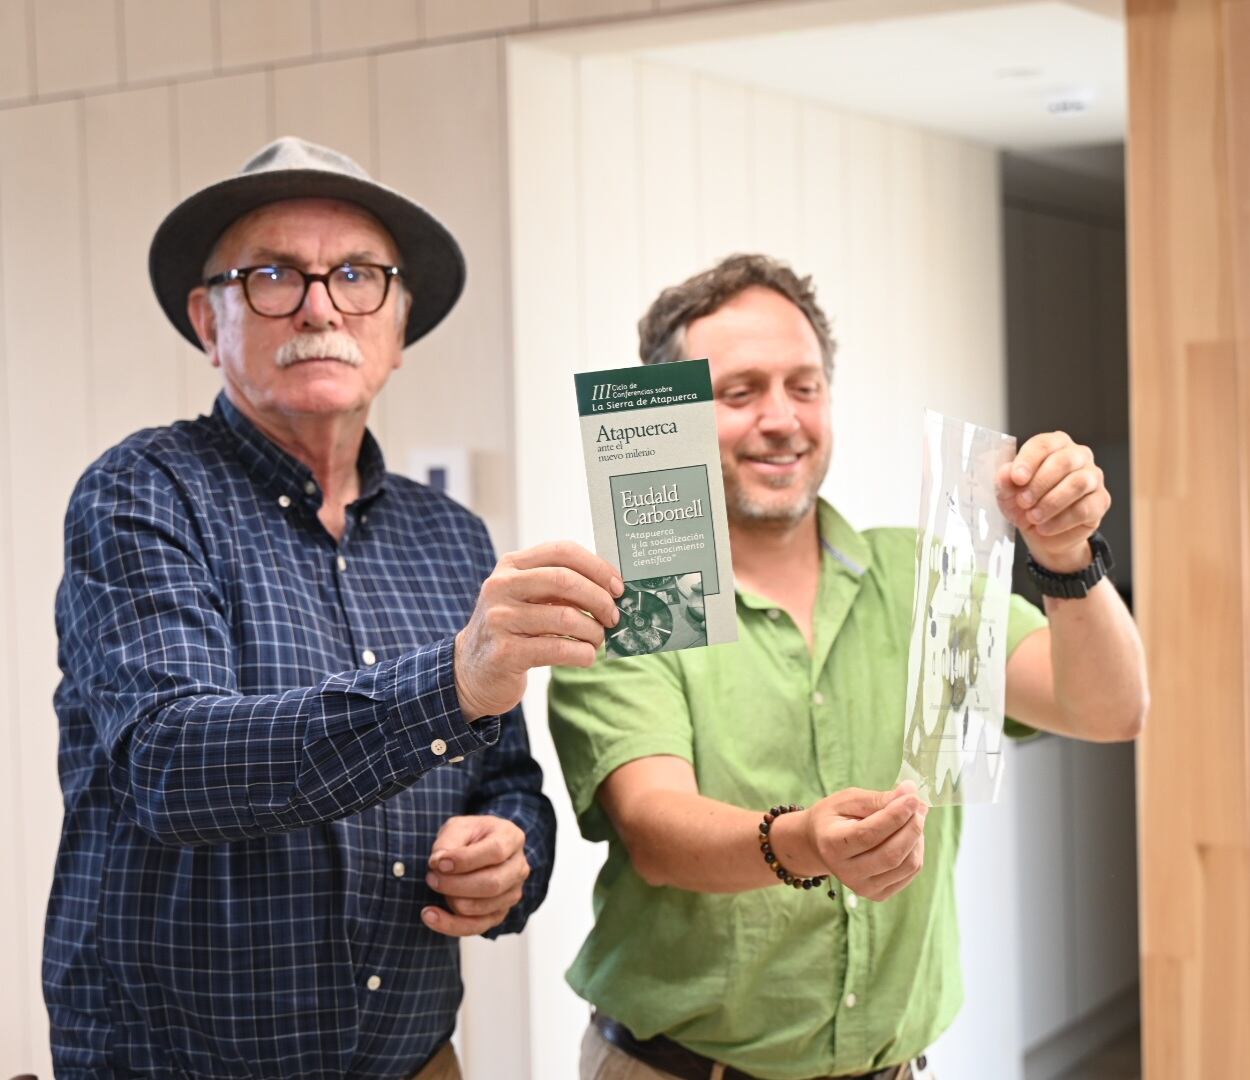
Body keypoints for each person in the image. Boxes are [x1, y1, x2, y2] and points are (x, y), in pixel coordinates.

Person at [43, 137, 623, 1079]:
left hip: (418, 1062)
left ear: (398, 322)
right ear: (209, 319)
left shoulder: (451, 536)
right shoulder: (142, 491)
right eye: (273, 275)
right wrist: (451, 684)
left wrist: (511, 856)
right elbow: (171, 761)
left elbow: (506, 776)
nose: (319, 306)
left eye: (356, 275)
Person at [548, 254, 1149, 1080]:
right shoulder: (629, 606)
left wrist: (1067, 557)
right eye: (739, 392)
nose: (781, 419)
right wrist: (801, 842)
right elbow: (656, 830)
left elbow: (1111, 708)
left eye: (804, 386)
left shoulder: (925, 579)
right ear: (669, 416)